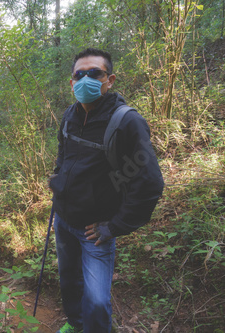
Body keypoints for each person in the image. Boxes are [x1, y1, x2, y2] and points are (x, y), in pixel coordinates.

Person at [49, 48, 164, 333]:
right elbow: (63, 155)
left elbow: (150, 182)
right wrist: (57, 180)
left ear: (109, 79)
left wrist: (115, 225)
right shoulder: (69, 115)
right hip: (63, 220)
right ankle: (76, 324)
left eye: (95, 73)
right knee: (69, 281)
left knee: (98, 300)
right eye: (79, 74)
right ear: (72, 82)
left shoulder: (126, 122)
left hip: (95, 231)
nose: (86, 78)